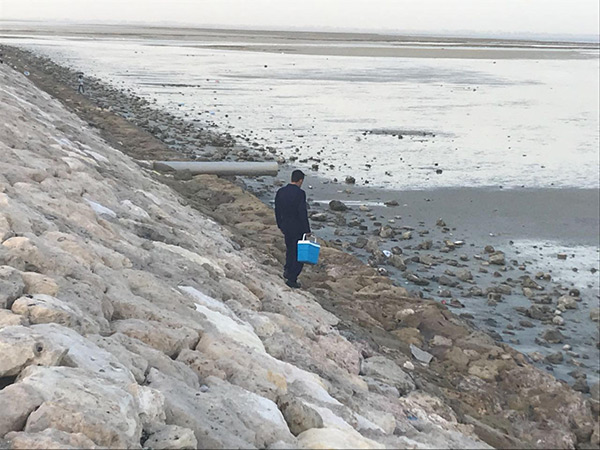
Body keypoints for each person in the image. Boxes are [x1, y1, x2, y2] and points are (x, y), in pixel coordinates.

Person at [275, 170, 311, 289]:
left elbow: (277, 210)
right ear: (300, 180)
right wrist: (307, 229)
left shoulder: (281, 191)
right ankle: (292, 278)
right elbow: (302, 212)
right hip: (297, 227)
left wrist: (280, 224)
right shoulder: (300, 193)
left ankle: (287, 270)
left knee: (290, 249)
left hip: (286, 226)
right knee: (298, 253)